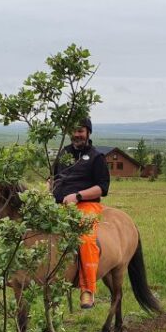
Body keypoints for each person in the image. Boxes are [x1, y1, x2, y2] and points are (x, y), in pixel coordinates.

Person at [51, 117, 110, 309]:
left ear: (88, 132)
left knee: (85, 239)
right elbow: (51, 178)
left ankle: (87, 290)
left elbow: (102, 188)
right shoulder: (64, 153)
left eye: (81, 131)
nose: (77, 134)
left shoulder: (96, 157)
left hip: (85, 205)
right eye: (74, 131)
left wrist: (77, 195)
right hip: (58, 205)